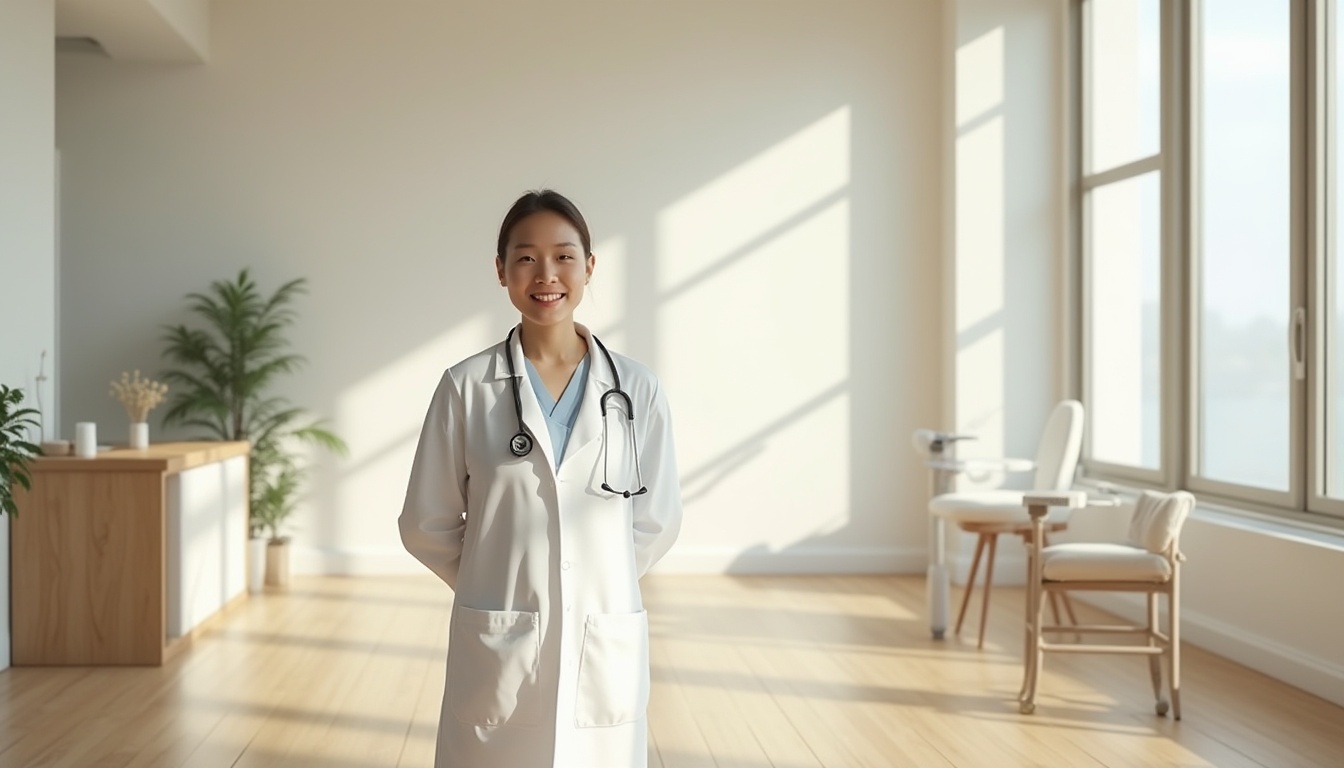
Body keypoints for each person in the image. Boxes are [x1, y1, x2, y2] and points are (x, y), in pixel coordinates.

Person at [399, 189, 683, 768]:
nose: (546, 274)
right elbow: (425, 523)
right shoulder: (465, 386)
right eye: (526, 258)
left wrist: (589, 582)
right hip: (498, 635)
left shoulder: (635, 389)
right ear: (501, 270)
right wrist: (493, 580)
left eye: (564, 256)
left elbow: (656, 520)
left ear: (589, 267)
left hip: (602, 633)